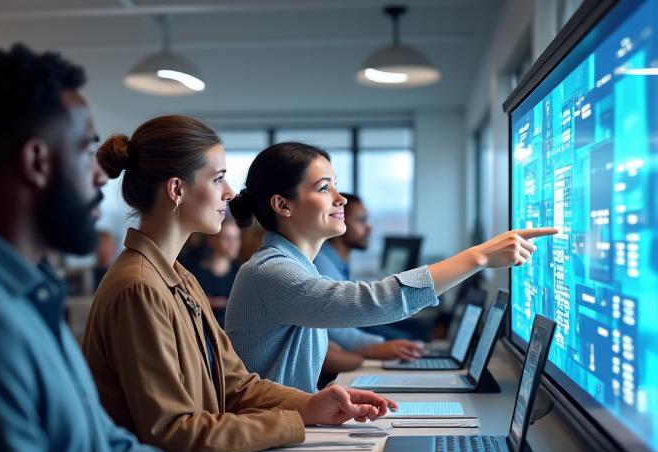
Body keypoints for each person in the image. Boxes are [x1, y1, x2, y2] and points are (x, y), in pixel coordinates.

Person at [0, 45, 338, 452]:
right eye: (85, 151)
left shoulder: (21, 296)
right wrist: (294, 424)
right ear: (37, 161)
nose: (99, 177)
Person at [83, 115, 395, 452]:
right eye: (218, 179)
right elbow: (173, 433)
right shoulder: (139, 287)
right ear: (176, 190)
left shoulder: (178, 277)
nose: (230, 192)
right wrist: (295, 421)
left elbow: (236, 385)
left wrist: (310, 406)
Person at [225, 142, 557, 392]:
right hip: (266, 434)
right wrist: (478, 257)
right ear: (282, 205)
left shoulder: (298, 267)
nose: (340, 198)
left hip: (288, 423)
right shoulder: (271, 271)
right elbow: (374, 302)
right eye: (324, 188)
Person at [313, 193, 426, 361]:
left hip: (352, 329)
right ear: (336, 220)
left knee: (416, 330)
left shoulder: (335, 261)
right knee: (416, 335)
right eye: (360, 220)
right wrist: (375, 347)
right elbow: (332, 324)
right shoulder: (322, 264)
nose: (369, 228)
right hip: (344, 337)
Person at [193, 218, 241, 327]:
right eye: (227, 238)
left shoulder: (242, 272)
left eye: (237, 238)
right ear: (212, 239)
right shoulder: (195, 273)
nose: (234, 243)